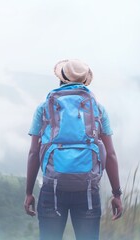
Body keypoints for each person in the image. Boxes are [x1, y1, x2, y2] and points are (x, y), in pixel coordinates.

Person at [24, 59, 123, 240]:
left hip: (51, 188)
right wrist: (117, 194)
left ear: (61, 79)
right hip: (88, 189)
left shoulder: (44, 108)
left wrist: (29, 192)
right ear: (85, 81)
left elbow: (33, 153)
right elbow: (110, 155)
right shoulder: (98, 110)